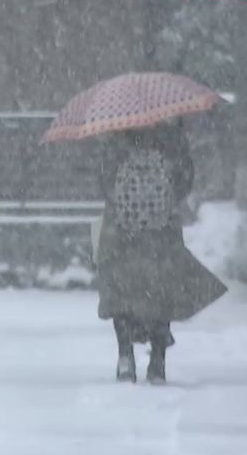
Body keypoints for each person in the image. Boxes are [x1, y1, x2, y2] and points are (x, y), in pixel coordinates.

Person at [95, 120, 228, 384]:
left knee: (120, 289)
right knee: (161, 289)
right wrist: (165, 200)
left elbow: (103, 181)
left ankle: (125, 356)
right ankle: (158, 359)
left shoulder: (114, 136)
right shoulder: (171, 135)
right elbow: (185, 179)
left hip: (121, 229)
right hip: (162, 228)